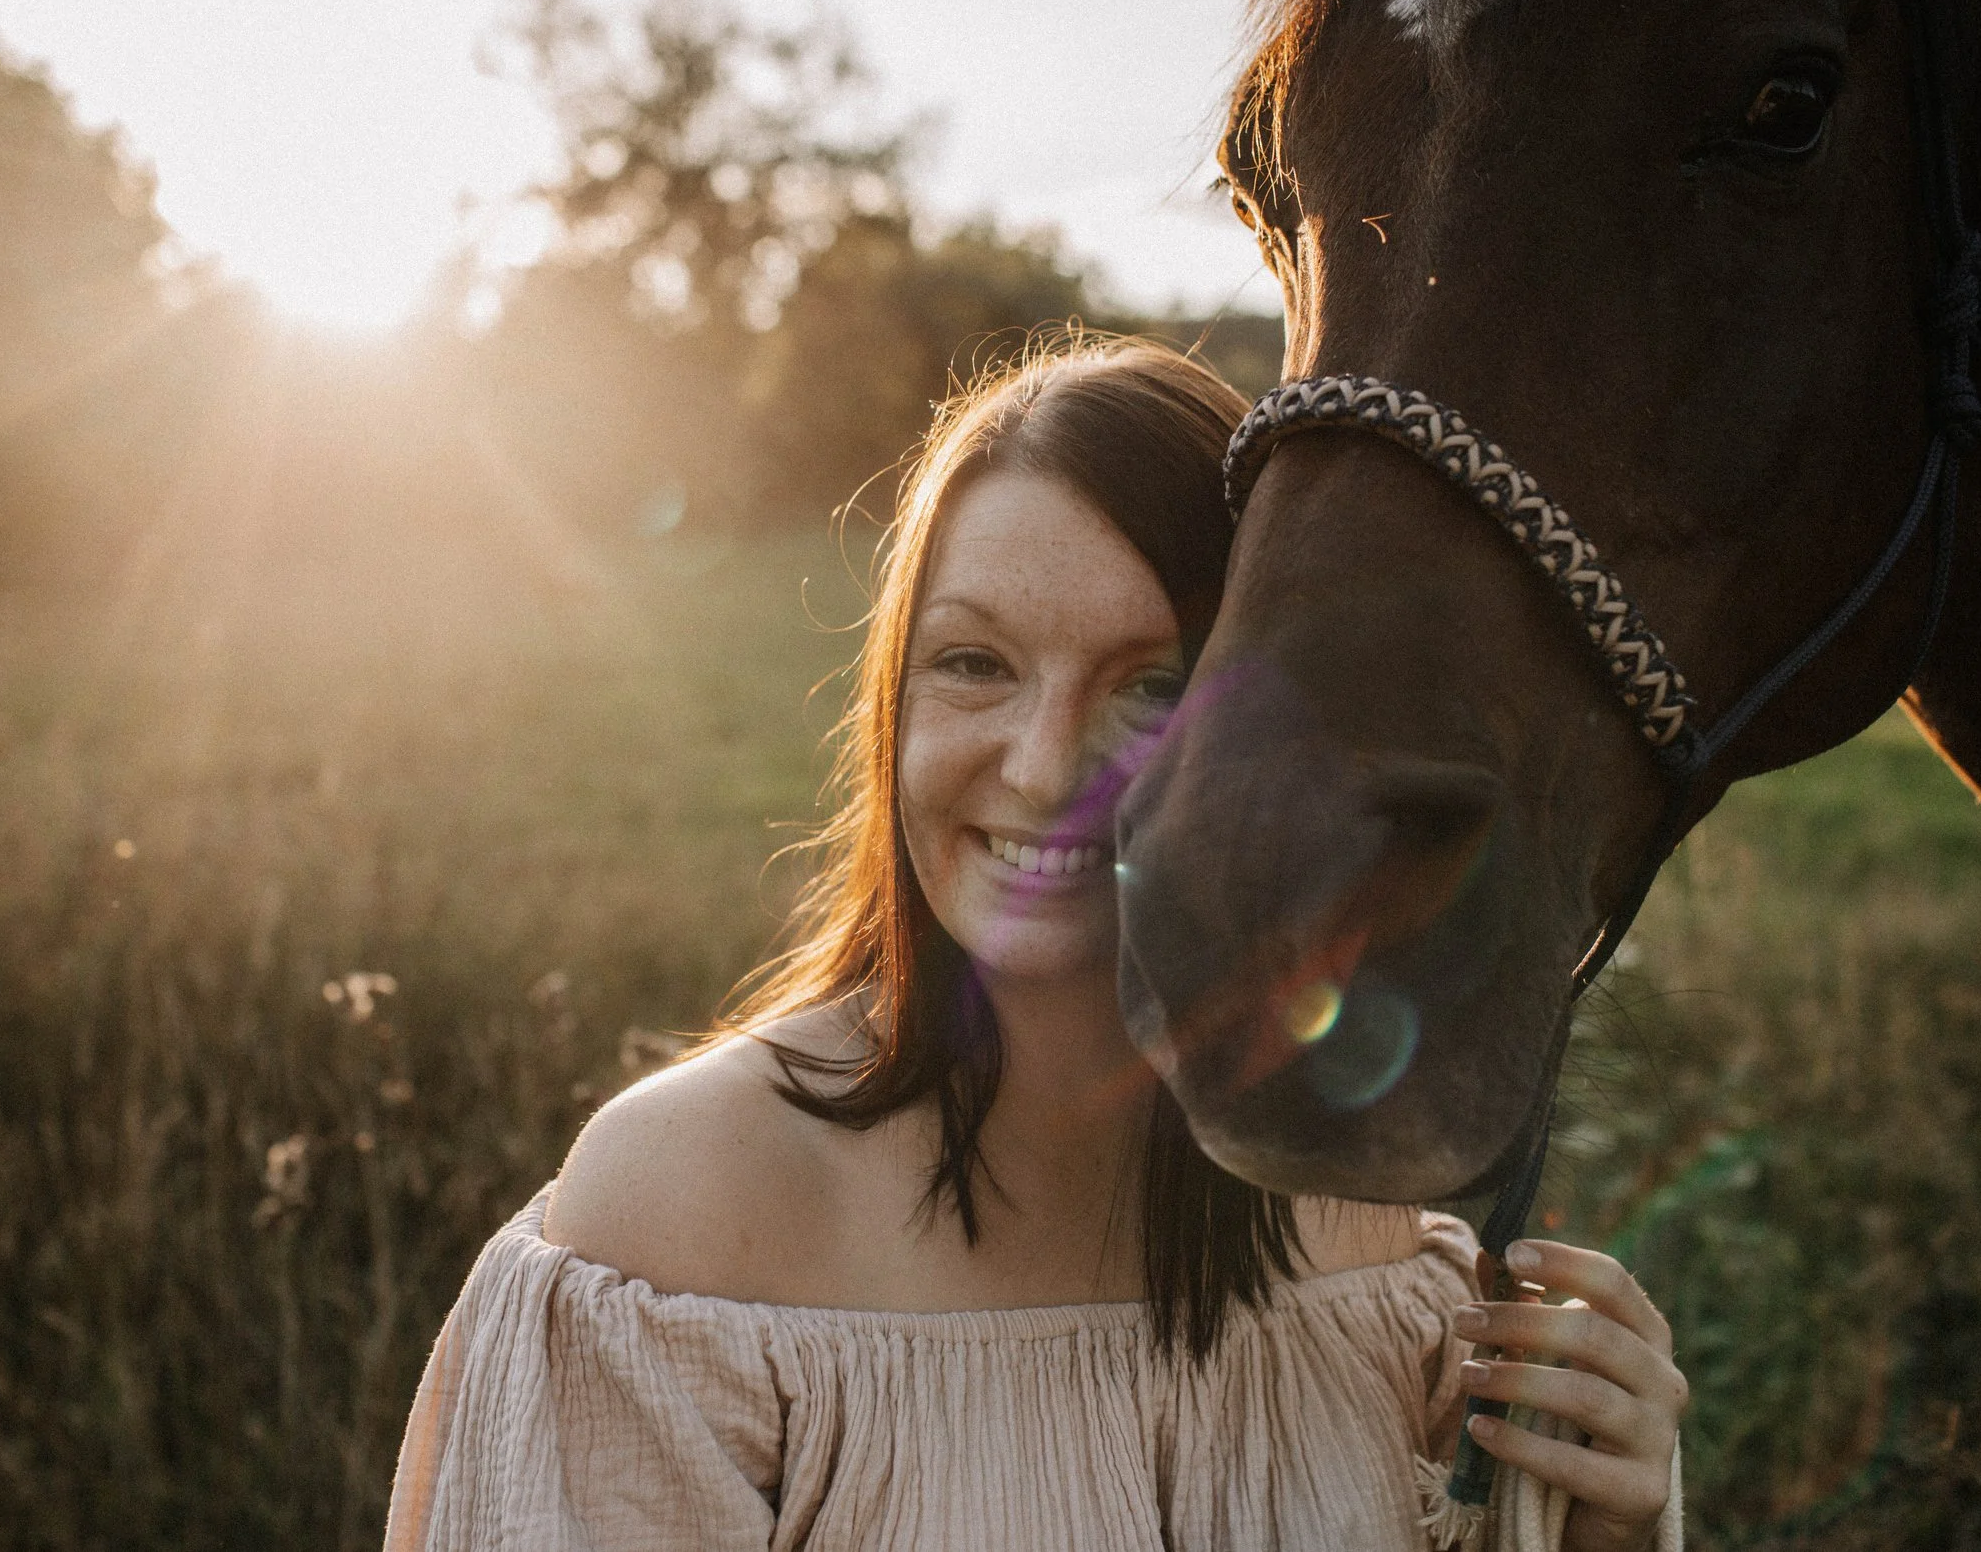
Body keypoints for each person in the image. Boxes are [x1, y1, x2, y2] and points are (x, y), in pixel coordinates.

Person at [384, 338, 1686, 1552]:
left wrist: (1592, 1526)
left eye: (1156, 686)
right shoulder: (687, 1214)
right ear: (891, 695)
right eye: (974, 663)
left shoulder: (1358, 1210)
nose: (1048, 763)